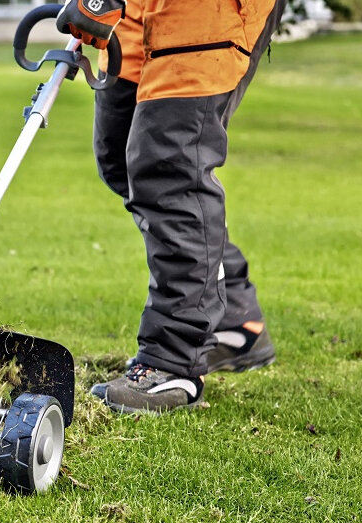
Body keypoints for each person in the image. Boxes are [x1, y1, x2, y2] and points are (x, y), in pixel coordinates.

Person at [56, 0, 284, 413]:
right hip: (136, 10)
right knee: (121, 159)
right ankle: (235, 321)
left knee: (171, 172)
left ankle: (173, 362)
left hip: (208, 13)